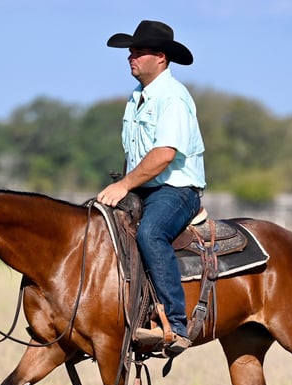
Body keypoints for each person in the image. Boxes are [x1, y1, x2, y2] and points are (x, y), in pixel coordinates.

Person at [97, 20, 206, 357]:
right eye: (130, 51)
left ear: (160, 57)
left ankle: (176, 325)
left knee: (150, 235)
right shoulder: (137, 97)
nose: (131, 56)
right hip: (144, 189)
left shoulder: (172, 97)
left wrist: (124, 185)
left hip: (176, 191)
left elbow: (164, 154)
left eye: (138, 51)